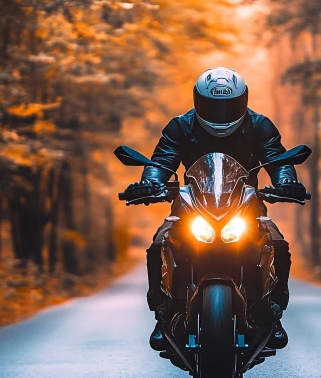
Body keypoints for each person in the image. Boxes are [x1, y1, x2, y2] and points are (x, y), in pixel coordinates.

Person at [124, 67, 306, 351]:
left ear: (243, 101)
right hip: (191, 206)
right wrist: (150, 182)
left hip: (245, 207)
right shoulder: (181, 126)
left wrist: (286, 182)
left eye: (228, 106)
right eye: (213, 106)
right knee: (159, 243)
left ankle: (272, 311)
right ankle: (163, 313)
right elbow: (162, 160)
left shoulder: (259, 125)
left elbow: (277, 158)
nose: (221, 114)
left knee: (277, 243)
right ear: (198, 101)